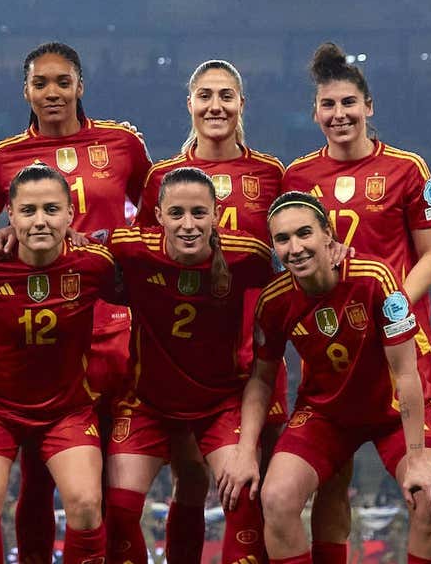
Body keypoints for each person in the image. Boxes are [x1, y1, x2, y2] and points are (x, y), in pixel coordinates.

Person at [0, 41, 151, 561]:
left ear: (81, 85)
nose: (53, 92)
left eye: (62, 81)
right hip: (34, 330)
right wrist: (1, 236)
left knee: (111, 484)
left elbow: (156, 215)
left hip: (111, 328)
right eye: (41, 83)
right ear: (26, 90)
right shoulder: (2, 158)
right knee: (34, 476)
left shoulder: (122, 144)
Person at [282, 42, 431, 564]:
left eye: (349, 103)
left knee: (429, 496)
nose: (339, 115)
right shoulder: (297, 178)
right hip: (333, 355)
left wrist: (392, 305)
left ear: (369, 106)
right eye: (328, 106)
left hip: (399, 352)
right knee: (328, 489)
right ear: (315, 113)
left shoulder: (407, 169)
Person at [219, 190, 431, 563]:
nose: (295, 248)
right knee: (276, 499)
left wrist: (418, 457)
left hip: (391, 409)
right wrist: (246, 451)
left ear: (328, 234)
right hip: (327, 414)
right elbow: (261, 380)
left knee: (430, 497)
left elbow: (406, 373)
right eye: (282, 239)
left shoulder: (375, 278)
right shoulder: (275, 300)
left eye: (304, 234)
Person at [134, 59, 288, 561]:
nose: (215, 105)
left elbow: (286, 260)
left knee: (252, 482)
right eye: (204, 95)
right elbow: (143, 258)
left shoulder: (270, 174)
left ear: (241, 104)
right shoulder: (161, 176)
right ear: (190, 104)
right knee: (189, 478)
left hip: (254, 359)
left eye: (226, 95)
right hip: (185, 358)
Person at [104, 167, 274, 564]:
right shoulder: (130, 246)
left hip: (219, 402)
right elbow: (72, 247)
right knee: (121, 507)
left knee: (243, 493)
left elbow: (300, 267)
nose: (188, 224)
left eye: (199, 213)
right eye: (176, 213)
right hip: (147, 403)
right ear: (158, 216)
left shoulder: (247, 256)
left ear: (216, 214)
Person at [0, 164, 121, 564]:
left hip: (67, 409)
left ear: (69, 213)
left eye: (51, 209)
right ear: (10, 216)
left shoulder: (96, 264)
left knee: (84, 503)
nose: (40, 220)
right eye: (28, 211)